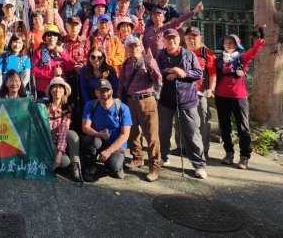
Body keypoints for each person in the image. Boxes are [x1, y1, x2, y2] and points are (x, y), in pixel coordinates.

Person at [156, 28, 207, 179]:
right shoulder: (161, 55)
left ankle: (199, 165)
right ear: (164, 41)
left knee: (192, 133)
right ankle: (164, 157)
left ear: (179, 40)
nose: (171, 42)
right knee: (163, 132)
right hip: (166, 99)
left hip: (188, 99)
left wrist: (181, 73)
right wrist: (172, 70)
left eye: (174, 39)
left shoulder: (190, 55)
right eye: (168, 39)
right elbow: (157, 71)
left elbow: (198, 74)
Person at [215, 27, 265, 170]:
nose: (228, 44)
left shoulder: (242, 57)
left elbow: (254, 51)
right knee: (225, 127)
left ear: (237, 45)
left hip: (239, 96)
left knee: (243, 128)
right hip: (221, 96)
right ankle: (229, 153)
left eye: (232, 42)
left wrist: (259, 40)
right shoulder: (219, 60)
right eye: (226, 42)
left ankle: (244, 157)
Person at [118, 38, 162, 182]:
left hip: (147, 100)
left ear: (141, 47)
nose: (134, 49)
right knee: (133, 132)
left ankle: (154, 166)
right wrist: (119, 100)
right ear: (127, 49)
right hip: (131, 101)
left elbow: (158, 80)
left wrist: (150, 64)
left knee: (151, 135)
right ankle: (137, 158)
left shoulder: (148, 60)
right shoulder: (125, 64)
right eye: (131, 47)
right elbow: (122, 83)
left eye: (136, 46)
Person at [81, 79, 132, 181]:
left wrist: (108, 151)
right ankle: (90, 165)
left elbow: (125, 135)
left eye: (106, 90)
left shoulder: (123, 108)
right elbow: (85, 127)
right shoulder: (91, 105)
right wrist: (98, 134)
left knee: (113, 168)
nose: (104, 94)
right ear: (96, 93)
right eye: (100, 91)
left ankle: (116, 165)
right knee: (88, 140)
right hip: (100, 140)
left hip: (116, 143)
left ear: (112, 91)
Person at [183, 26, 217, 159]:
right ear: (184, 38)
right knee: (182, 119)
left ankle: (203, 148)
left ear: (200, 38)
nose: (192, 40)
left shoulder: (206, 52)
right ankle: (183, 146)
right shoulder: (181, 51)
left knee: (203, 119)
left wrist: (211, 89)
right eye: (189, 37)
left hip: (201, 92)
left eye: (194, 37)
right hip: (184, 91)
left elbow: (212, 73)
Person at [45, 77, 82, 182]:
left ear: (64, 91)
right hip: (46, 141)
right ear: (50, 90)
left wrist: (60, 153)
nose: (57, 90)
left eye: (60, 87)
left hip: (59, 141)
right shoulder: (44, 107)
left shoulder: (67, 109)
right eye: (55, 87)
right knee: (65, 161)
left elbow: (63, 132)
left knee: (72, 135)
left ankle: (75, 166)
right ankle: (46, 163)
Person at [31, 24, 73, 98]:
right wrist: (51, 74)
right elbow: (34, 70)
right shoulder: (39, 51)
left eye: (55, 34)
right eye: (49, 34)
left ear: (58, 37)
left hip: (60, 88)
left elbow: (70, 67)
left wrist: (62, 53)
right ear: (45, 37)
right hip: (44, 89)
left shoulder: (63, 50)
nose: (52, 37)